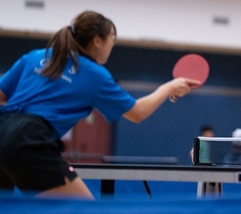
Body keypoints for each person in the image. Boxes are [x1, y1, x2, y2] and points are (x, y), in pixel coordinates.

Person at [0, 11, 200, 199]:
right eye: (111, 39)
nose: (112, 45)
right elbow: (137, 113)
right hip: (29, 140)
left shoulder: (36, 56)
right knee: (86, 210)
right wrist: (168, 88)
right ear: (97, 41)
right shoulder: (95, 74)